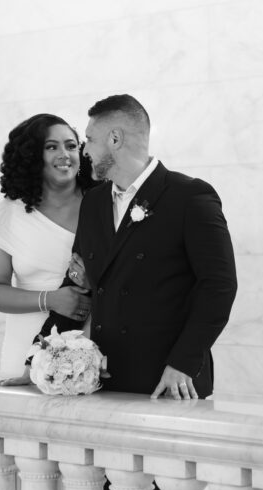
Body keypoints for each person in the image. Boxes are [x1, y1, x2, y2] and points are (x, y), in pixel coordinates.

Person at [70, 93, 237, 399]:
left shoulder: (190, 197)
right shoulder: (92, 202)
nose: (85, 151)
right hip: (102, 379)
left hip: (169, 381)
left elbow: (219, 286)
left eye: (90, 140)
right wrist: (39, 359)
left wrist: (184, 363)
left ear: (115, 139)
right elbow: (80, 285)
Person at [0, 113, 93, 381]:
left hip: (92, 339)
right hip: (26, 349)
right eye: (51, 147)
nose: (64, 154)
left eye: (71, 145)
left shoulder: (103, 202)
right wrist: (50, 299)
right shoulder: (8, 214)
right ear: (31, 156)